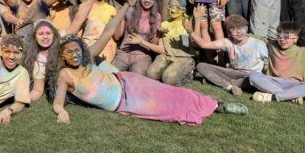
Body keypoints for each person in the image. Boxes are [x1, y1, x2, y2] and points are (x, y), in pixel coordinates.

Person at [47, 15, 246, 126]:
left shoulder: (88, 59)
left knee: (170, 92)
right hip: (124, 102)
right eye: (69, 52)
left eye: (76, 50)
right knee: (166, 110)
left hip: (127, 81)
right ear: (62, 56)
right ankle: (208, 108)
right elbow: (58, 101)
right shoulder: (65, 75)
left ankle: (216, 104)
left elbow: (107, 33)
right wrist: (61, 110)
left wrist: (125, 5)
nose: (74, 54)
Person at [248, 20, 305, 104]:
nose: (282, 40)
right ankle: (291, 97)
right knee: (253, 76)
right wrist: (242, 34)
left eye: (286, 37)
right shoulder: (273, 45)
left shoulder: (304, 52)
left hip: (294, 85)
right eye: (279, 36)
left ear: (296, 39)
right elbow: (260, 39)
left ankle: (272, 97)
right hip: (273, 82)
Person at [124, 0, 198, 86]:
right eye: (170, 7)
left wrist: (191, 31)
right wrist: (143, 41)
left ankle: (189, 74)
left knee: (168, 79)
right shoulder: (164, 24)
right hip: (166, 56)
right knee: (151, 75)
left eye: (177, 8)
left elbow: (195, 45)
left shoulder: (188, 22)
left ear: (183, 9)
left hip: (184, 58)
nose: (173, 10)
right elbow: (161, 49)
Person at [191, 15, 269, 96]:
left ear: (246, 28)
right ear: (228, 33)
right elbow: (204, 45)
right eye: (233, 30)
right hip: (232, 73)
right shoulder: (228, 42)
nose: (238, 32)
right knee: (201, 66)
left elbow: (268, 64)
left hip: (251, 76)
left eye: (241, 28)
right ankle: (230, 87)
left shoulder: (258, 44)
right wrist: (191, 32)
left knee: (254, 79)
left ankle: (223, 82)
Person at [111, 0, 166, 75]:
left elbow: (154, 43)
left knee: (136, 80)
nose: (147, 0)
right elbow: (117, 36)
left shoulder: (157, 16)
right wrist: (118, 20)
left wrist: (159, 33)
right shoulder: (130, 11)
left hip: (142, 57)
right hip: (124, 53)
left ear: (154, 0)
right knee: (113, 75)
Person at [22, 20, 58, 102]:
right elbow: (37, 89)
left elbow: (76, 24)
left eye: (48, 33)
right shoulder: (37, 59)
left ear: (54, 35)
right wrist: (25, 98)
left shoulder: (62, 46)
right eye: (41, 34)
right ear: (34, 36)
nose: (45, 37)